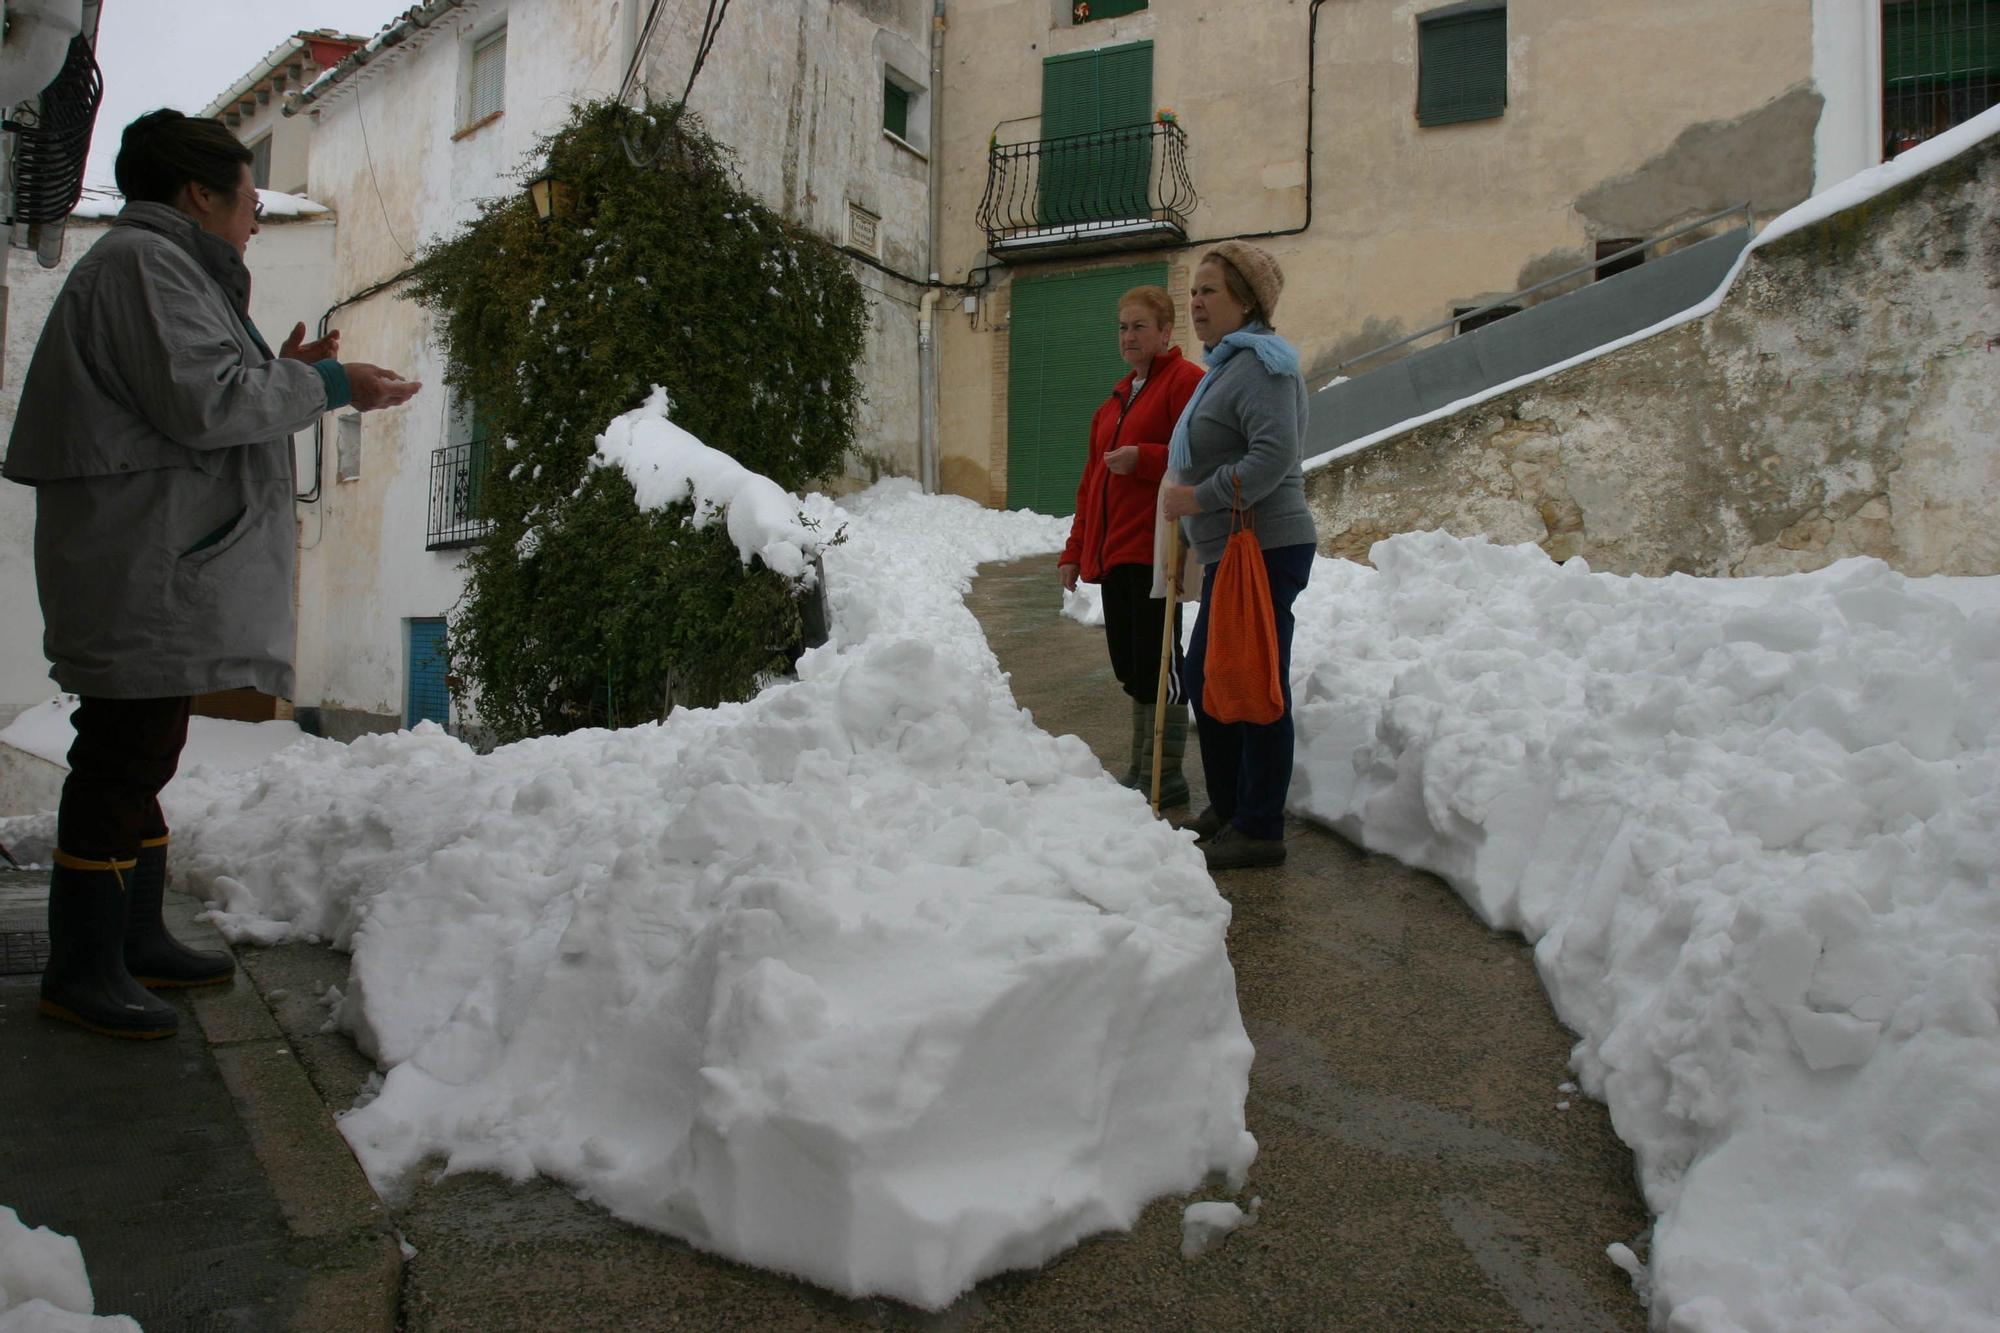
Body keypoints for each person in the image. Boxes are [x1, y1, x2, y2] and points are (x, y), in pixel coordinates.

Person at [1, 109, 422, 1038]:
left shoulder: (159, 269)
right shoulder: (147, 267)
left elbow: (195, 393)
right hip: (136, 559)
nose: (256, 220)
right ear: (199, 194)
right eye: (247, 199)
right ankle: (82, 967)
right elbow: (208, 404)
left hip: (146, 554)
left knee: (143, 752)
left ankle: (133, 939)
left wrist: (287, 370)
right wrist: (328, 384)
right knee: (120, 757)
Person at [1160, 242, 1317, 871]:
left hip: (1265, 545)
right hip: (1233, 548)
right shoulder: (1228, 366)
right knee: (1208, 677)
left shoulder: (1264, 368)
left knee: (1254, 682)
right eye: (1193, 291)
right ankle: (1229, 808)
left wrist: (1197, 497)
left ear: (1247, 301)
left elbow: (1272, 459)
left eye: (1210, 291)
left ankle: (1259, 824)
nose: (1195, 302)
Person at [1058, 285, 1205, 807]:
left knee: (1159, 661)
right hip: (1116, 554)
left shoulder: (1186, 384)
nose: (1129, 336)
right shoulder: (1115, 400)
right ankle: (1142, 766)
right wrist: (1075, 549)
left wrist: (1142, 459)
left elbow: (1201, 456)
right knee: (1130, 666)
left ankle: (1165, 773)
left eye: (1140, 326)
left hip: (1157, 550)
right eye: (1123, 327)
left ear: (1166, 332)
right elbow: (1088, 485)